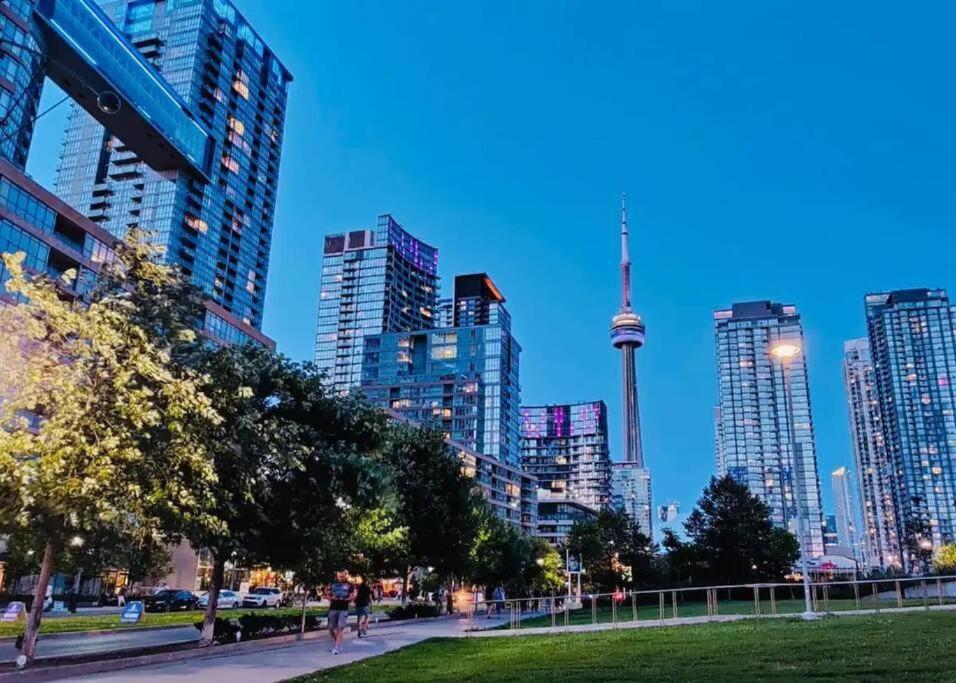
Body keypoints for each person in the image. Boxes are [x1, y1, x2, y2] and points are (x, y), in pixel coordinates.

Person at [324, 570, 355, 655]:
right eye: (339, 576)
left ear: (345, 576)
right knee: (330, 629)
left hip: (343, 609)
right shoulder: (332, 584)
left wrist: (345, 599)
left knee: (340, 629)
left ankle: (336, 647)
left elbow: (352, 597)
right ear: (336, 576)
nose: (340, 578)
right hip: (333, 608)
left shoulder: (350, 585)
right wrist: (331, 598)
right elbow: (326, 594)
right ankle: (337, 644)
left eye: (342, 576)